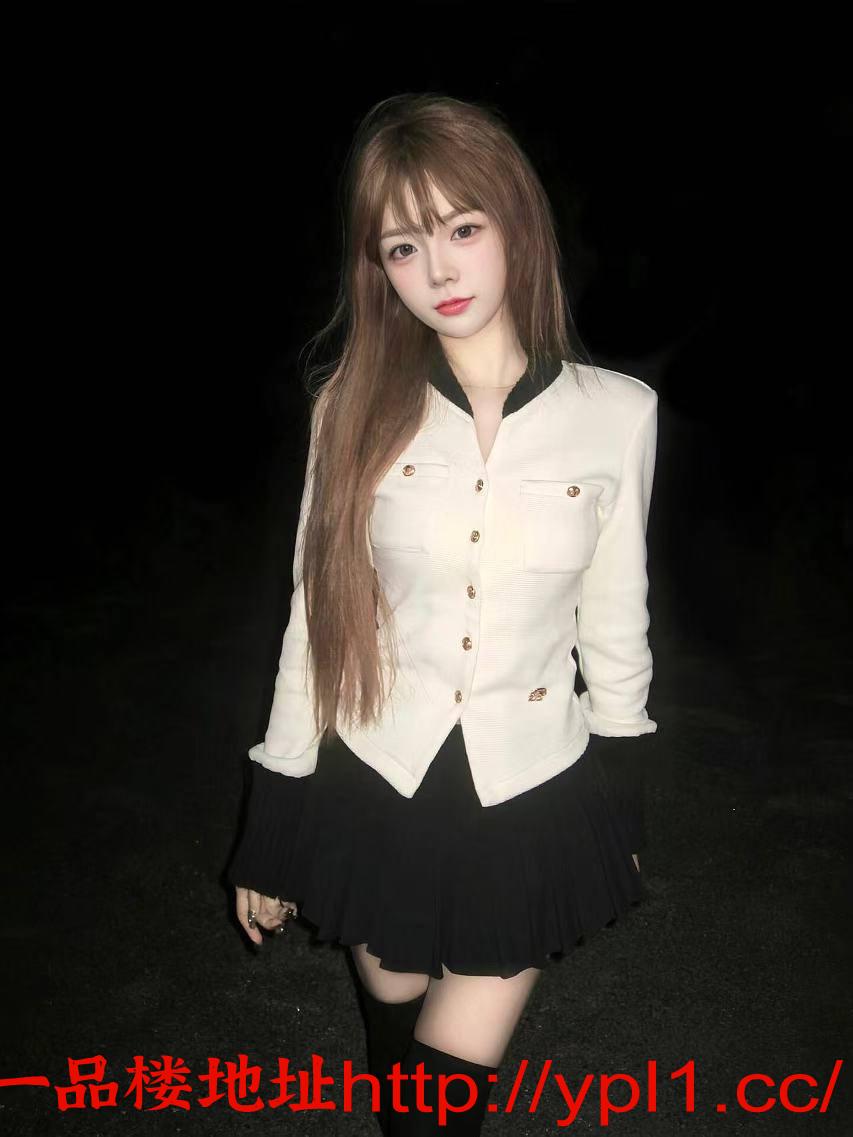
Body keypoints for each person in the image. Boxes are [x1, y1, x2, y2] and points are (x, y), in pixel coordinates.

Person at [226, 92, 659, 1135]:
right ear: (378, 268)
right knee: (396, 1037)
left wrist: (624, 814)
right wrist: (271, 828)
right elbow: (314, 624)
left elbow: (615, 630)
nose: (439, 271)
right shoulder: (350, 406)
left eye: (462, 229)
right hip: (378, 784)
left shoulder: (617, 413)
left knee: (437, 1104)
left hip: (529, 797)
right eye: (403, 247)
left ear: (515, 223)